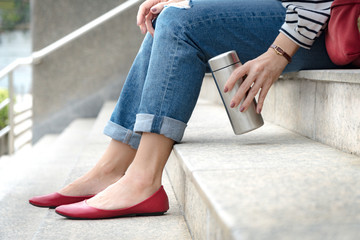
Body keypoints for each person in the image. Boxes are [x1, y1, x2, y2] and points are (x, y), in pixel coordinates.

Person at [29, 0, 337, 219]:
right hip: (285, 12)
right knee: (168, 15)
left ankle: (142, 180)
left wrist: (279, 52)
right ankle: (110, 169)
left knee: (181, 21)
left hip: (326, 25)